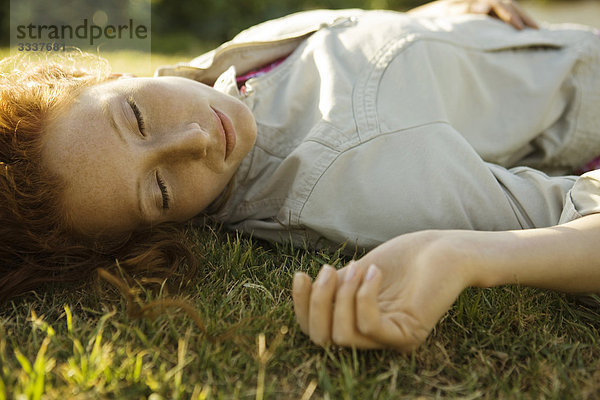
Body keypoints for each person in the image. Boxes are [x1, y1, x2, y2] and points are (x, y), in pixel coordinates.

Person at [0, 0, 599, 352]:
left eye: (134, 116)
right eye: (159, 190)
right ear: (155, 232)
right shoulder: (351, 181)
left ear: (90, 79)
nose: (197, 140)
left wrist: (444, 21)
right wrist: (462, 255)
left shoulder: (222, 74)